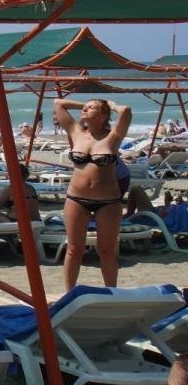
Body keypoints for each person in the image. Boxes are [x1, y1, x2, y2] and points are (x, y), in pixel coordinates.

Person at [54, 98, 132, 291]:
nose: (85, 109)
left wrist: (110, 105)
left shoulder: (114, 137)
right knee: (74, 250)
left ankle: (112, 293)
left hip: (108, 201)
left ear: (104, 115)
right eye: (85, 107)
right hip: (76, 199)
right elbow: (58, 104)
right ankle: (69, 294)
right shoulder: (76, 132)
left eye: (91, 108)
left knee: (106, 251)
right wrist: (85, 104)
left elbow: (126, 110)